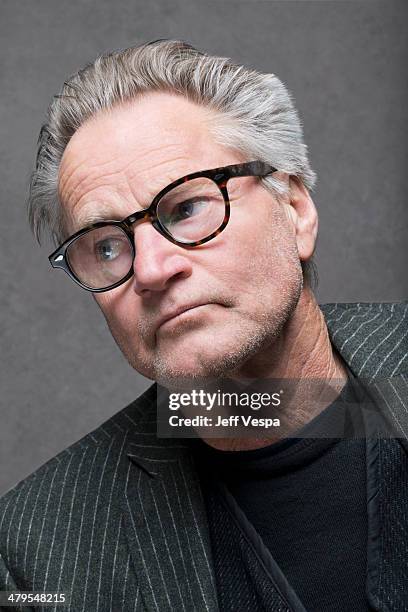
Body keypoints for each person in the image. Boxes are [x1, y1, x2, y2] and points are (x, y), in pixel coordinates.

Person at [0, 39, 407, 612]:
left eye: (187, 208)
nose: (151, 269)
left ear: (295, 210)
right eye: (109, 245)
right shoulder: (35, 552)